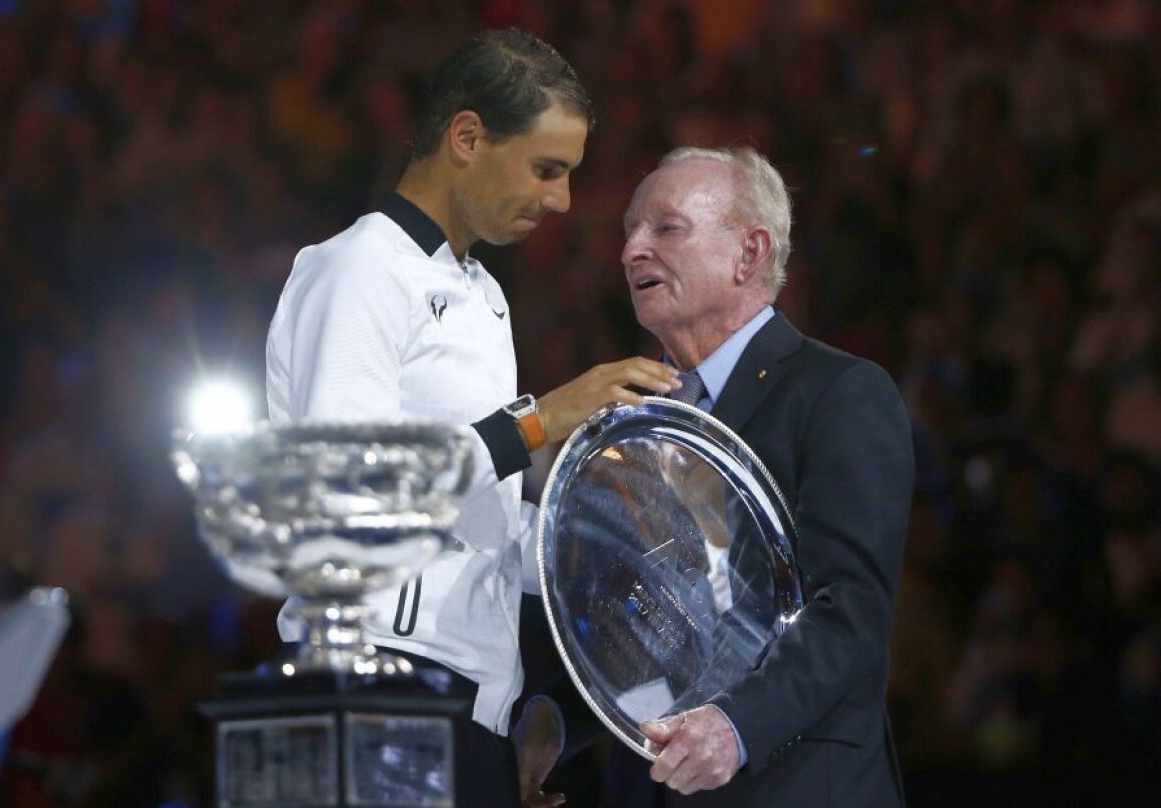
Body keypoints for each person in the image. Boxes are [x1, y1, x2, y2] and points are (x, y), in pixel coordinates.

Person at [264, 29, 679, 807]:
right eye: (546, 169)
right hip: (376, 687)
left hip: (474, 711)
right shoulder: (358, 270)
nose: (560, 200)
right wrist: (538, 421)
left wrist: (593, 553)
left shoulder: (483, 295)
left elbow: (471, 522)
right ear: (467, 137)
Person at [516, 146, 915, 806]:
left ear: (749, 253)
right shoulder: (630, 425)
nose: (631, 251)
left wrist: (735, 726)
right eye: (629, 232)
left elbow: (852, 613)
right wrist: (557, 721)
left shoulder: (839, 392)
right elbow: (650, 640)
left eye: (665, 228)